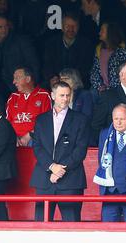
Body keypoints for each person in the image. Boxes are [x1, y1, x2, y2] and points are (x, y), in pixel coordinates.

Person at [30, 81, 90, 222]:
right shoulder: (41, 120)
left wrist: (60, 170)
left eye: (68, 95)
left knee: (72, 226)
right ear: (52, 96)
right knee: (41, 225)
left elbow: (80, 150)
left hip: (71, 180)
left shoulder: (80, 119)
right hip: (44, 179)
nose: (65, 99)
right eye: (61, 95)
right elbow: (37, 147)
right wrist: (52, 167)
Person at [0, 15, 39, 99]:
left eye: (6, 26)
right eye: (0, 27)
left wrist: (33, 86)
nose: (4, 29)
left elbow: (34, 64)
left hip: (16, 87)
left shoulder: (21, 41)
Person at [42, 12, 94, 89]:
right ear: (62, 27)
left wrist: (72, 79)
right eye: (67, 26)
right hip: (56, 83)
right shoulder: (51, 44)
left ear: (78, 27)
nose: (71, 29)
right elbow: (47, 65)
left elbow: (86, 68)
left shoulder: (86, 44)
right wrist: (52, 78)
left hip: (78, 84)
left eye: (74, 26)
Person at [6, 66, 52, 147]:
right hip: (14, 138)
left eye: (17, 78)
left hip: (34, 138)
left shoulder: (44, 95)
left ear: (28, 79)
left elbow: (48, 121)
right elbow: (7, 122)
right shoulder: (13, 97)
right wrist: (13, 137)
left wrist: (30, 135)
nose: (14, 82)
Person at [90, 21, 126, 95]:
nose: (99, 33)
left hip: (119, 91)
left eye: (102, 31)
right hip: (101, 90)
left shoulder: (123, 51)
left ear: (110, 33)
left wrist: (112, 90)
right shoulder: (99, 49)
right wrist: (100, 87)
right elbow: (94, 71)